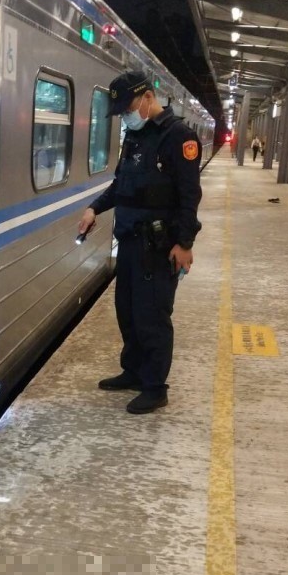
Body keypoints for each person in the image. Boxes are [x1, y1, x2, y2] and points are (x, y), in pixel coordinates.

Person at [77, 71, 202, 414]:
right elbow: (121, 185)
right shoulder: (134, 137)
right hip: (130, 244)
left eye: (128, 107)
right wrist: (94, 208)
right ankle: (132, 372)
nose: (125, 116)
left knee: (152, 317)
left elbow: (190, 196)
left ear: (148, 97)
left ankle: (154, 387)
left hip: (159, 248)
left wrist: (185, 243)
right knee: (128, 313)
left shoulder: (179, 137)